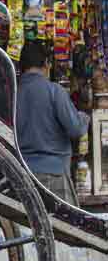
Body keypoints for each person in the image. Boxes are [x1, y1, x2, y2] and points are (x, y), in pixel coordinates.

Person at [16, 40, 90, 206]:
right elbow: (76, 129)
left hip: (22, 174)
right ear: (46, 64)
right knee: (62, 223)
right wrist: (84, 118)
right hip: (53, 175)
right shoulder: (54, 91)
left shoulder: (13, 92)